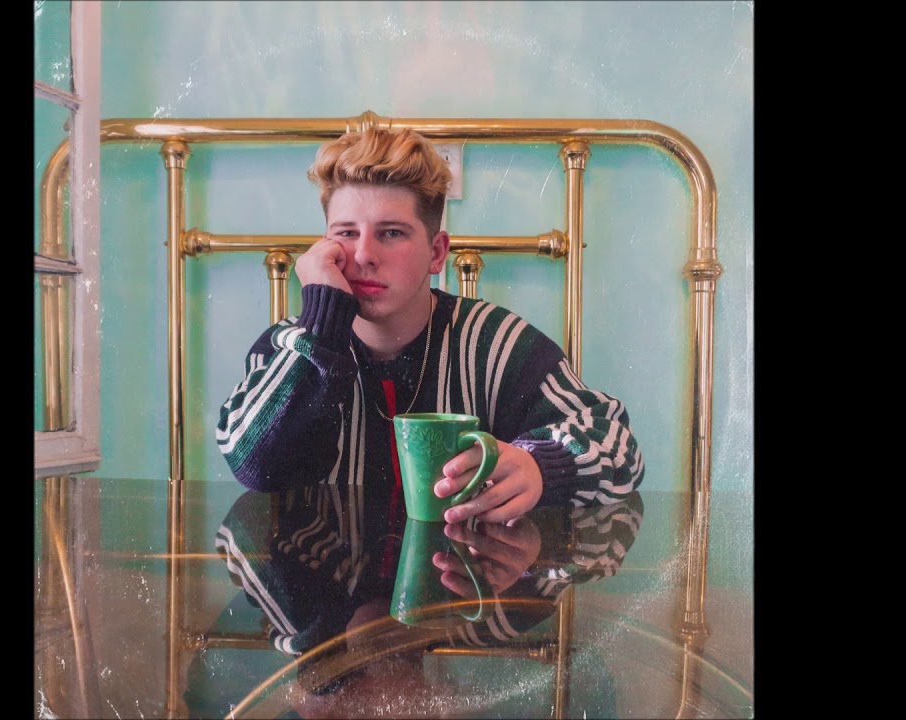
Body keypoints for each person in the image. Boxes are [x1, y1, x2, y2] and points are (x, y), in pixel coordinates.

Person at [215, 127, 643, 525]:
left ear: (437, 253)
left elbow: (618, 445)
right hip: (324, 577)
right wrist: (320, 327)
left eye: (391, 233)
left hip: (463, 573)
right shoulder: (289, 346)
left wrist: (540, 465)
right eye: (346, 233)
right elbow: (252, 464)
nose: (363, 255)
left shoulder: (496, 344)